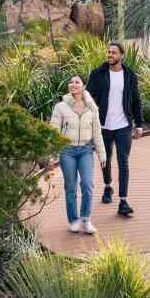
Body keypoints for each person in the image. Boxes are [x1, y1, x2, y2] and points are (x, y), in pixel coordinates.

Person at [86, 41, 144, 217]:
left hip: (123, 126)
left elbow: (136, 101)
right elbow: (88, 97)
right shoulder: (98, 74)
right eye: (109, 52)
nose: (110, 55)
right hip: (103, 125)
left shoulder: (130, 76)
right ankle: (107, 186)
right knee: (105, 159)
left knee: (123, 162)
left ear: (121, 55)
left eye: (114, 52)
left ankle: (123, 201)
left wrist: (139, 124)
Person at [49, 75, 107, 234]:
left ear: (83, 86)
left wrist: (102, 154)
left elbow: (97, 133)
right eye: (70, 82)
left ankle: (86, 219)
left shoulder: (91, 107)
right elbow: (53, 132)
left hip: (86, 150)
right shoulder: (60, 107)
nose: (73, 84)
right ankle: (73, 220)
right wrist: (52, 156)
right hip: (67, 151)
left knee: (87, 185)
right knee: (71, 188)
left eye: (77, 82)